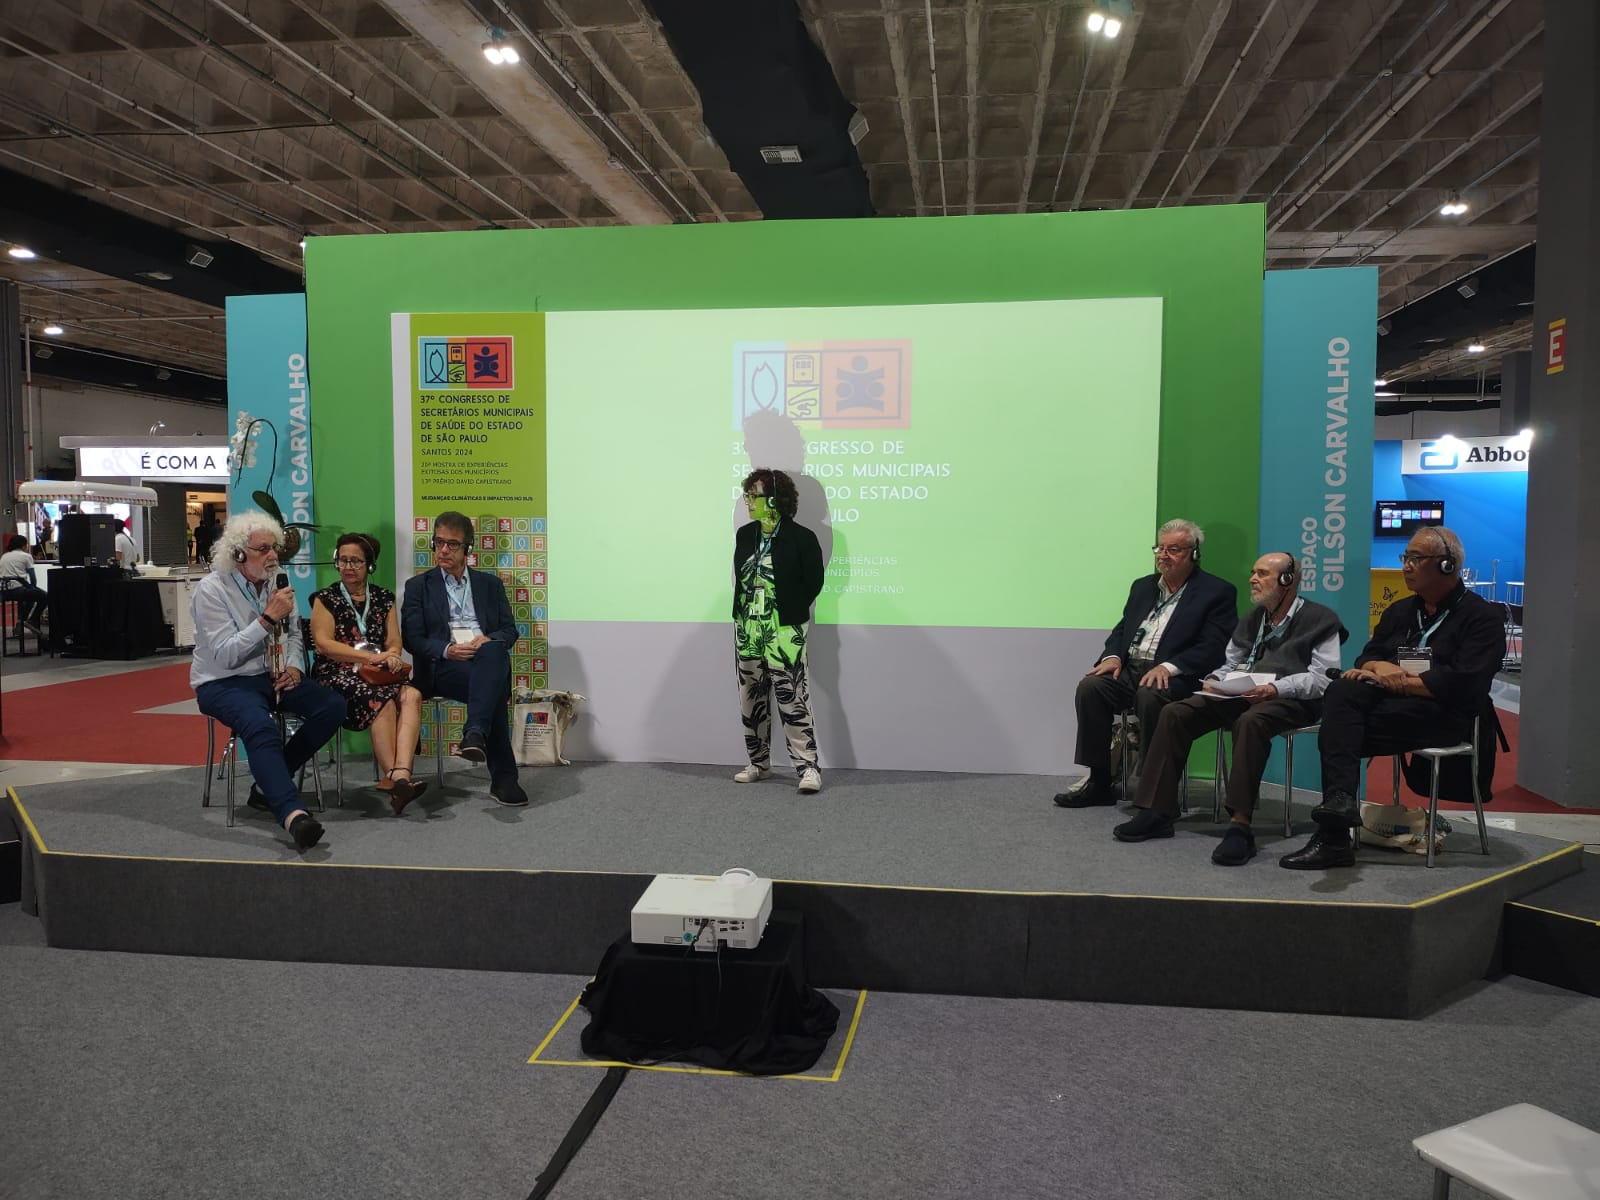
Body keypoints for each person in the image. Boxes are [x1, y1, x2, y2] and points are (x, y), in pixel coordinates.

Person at [1280, 526, 1506, 871]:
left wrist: (1399, 681)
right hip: (1393, 708)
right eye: (1406, 557)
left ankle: (1334, 835)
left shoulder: (1482, 617)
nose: (1406, 566)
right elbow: (1367, 657)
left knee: (1339, 731)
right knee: (1342, 690)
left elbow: (1466, 682)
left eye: (1416, 558)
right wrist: (1379, 667)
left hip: (1446, 715)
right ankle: (1339, 813)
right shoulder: (1401, 611)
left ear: (1446, 565)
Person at [1110, 552, 1343, 864]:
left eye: (1262, 574)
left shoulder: (1321, 619)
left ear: (1288, 581)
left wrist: (1276, 687)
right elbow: (1230, 662)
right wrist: (1215, 680)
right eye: (1253, 572)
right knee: (1176, 713)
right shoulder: (1254, 617)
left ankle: (1240, 826)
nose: (1252, 579)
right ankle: (1157, 810)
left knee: (1250, 722)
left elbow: (1323, 679)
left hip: (1293, 699)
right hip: (1244, 692)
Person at [1053, 519, 1239, 808]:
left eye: (1173, 549)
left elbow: (1214, 646)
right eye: (1160, 548)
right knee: (1091, 688)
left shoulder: (1216, 591)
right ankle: (1100, 781)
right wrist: (1112, 656)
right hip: (1133, 670)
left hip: (1178, 676)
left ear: (1194, 553)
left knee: (1151, 695)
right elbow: (1122, 629)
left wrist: (1170, 666)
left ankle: (1153, 792)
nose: (1163, 555)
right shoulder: (1143, 586)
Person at [190, 511, 345, 850]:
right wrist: (266, 618)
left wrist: (294, 667)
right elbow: (226, 655)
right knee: (261, 726)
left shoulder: (278, 582)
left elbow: (294, 634)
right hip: (223, 682)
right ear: (238, 554)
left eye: (274, 547)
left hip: (271, 675)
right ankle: (292, 814)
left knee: (332, 706)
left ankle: (266, 785)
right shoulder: (211, 590)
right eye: (263, 549)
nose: (273, 555)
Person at [401, 511, 528, 807]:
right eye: (438, 542)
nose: (443, 550)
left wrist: (488, 639)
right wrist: (448, 649)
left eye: (452, 544)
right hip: (441, 668)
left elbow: (509, 630)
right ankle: (502, 777)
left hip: (483, 661)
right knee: (492, 687)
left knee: (494, 652)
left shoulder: (490, 585)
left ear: (468, 548)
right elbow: (413, 639)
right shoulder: (418, 586)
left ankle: (475, 733)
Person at [310, 533, 428, 815]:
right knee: (382, 699)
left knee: (412, 695)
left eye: (356, 561)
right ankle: (397, 780)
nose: (348, 567)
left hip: (376, 673)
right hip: (336, 673)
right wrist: (372, 657)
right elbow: (324, 645)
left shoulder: (384, 598)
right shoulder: (325, 599)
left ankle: (400, 776)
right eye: (343, 560)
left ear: (370, 565)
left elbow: (394, 640)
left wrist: (393, 655)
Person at [731, 468, 826, 793]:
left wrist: (789, 610)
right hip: (748, 628)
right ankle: (758, 763)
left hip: (784, 630)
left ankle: (808, 768)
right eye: (747, 495)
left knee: (793, 698)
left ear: (774, 500)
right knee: (751, 697)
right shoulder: (745, 534)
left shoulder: (802, 537)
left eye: (753, 496)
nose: (747, 501)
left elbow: (813, 583)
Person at [0, 534, 49, 638]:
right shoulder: (26, 556)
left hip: (4, 591)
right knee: (45, 596)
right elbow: (33, 577)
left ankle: (21, 622)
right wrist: (34, 587)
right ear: (23, 545)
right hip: (18, 589)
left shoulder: (4, 556)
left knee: (30, 595)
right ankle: (31, 620)